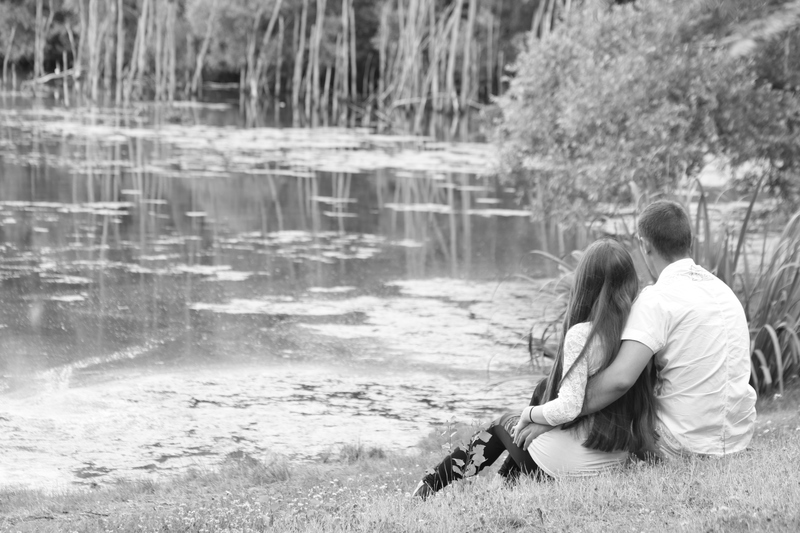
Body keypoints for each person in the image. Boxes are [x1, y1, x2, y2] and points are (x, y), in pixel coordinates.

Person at [412, 238, 659, 499]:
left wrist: (528, 414)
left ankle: (428, 485)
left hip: (565, 468)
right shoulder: (639, 334)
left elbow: (569, 407)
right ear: (629, 281)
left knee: (501, 424)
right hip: (612, 461)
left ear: (586, 283)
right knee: (543, 387)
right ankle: (505, 481)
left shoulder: (582, 336)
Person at [515, 200, 757, 459]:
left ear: (645, 245)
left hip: (684, 444)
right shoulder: (725, 292)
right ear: (690, 240)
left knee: (546, 393)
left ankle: (517, 461)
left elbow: (620, 380)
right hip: (737, 438)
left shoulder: (657, 300)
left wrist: (556, 414)